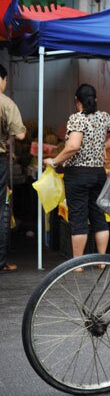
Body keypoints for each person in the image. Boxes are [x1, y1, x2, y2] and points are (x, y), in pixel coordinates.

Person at [43, 84, 110, 267]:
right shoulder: (103, 117)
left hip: (77, 174)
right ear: (95, 99)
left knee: (78, 218)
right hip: (98, 174)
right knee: (98, 216)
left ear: (76, 100)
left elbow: (73, 146)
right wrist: (103, 146)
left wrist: (55, 162)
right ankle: (102, 261)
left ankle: (77, 264)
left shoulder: (76, 119)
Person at [0, 63, 26, 272]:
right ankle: (0, 261)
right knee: (1, 209)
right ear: (2, 79)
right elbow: (21, 134)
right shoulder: (6, 103)